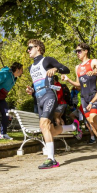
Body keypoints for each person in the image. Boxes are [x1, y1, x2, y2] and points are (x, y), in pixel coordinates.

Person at [25, 39, 82, 169]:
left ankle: (51, 159)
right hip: (39, 99)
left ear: (38, 48)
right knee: (50, 130)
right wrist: (32, 91)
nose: (28, 51)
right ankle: (73, 127)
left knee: (43, 124)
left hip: (49, 96)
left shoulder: (46, 60)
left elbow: (65, 69)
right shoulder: (31, 68)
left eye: (30, 48)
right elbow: (38, 85)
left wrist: (56, 69)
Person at [62, 43, 97, 158]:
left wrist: (96, 73)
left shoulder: (93, 62)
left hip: (93, 95)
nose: (77, 53)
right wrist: (68, 80)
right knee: (92, 124)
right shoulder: (77, 67)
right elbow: (78, 85)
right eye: (76, 51)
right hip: (83, 97)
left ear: (86, 51)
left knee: (93, 119)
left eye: (79, 51)